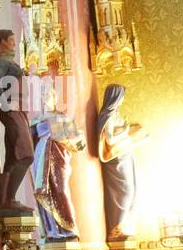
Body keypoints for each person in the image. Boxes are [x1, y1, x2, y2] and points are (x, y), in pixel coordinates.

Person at [31, 88, 86, 240]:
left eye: (47, 95)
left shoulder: (62, 117)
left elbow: (78, 140)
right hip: (41, 156)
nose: (45, 98)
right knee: (44, 191)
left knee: (60, 190)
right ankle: (52, 230)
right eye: (42, 95)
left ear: (55, 98)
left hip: (59, 156)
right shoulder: (37, 120)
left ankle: (68, 228)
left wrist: (65, 139)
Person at [0, 28, 35, 215]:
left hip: (18, 109)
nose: (14, 44)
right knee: (25, 154)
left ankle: (7, 200)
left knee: (13, 155)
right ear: (1, 42)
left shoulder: (7, 61)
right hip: (12, 109)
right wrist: (4, 103)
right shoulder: (1, 61)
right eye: (11, 40)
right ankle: (9, 198)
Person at [97, 83, 148, 239]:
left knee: (134, 188)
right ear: (115, 97)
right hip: (116, 158)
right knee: (125, 191)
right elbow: (110, 140)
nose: (123, 100)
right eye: (121, 96)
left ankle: (125, 224)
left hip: (125, 154)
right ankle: (116, 227)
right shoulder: (109, 115)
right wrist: (126, 134)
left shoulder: (117, 114)